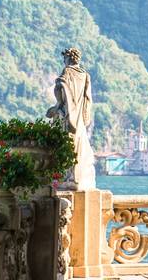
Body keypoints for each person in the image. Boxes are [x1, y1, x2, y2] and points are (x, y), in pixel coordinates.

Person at [46, 47, 96, 190]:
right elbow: (88, 98)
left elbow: (60, 91)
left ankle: (70, 177)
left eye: (65, 59)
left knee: (67, 144)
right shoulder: (86, 75)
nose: (64, 61)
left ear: (69, 58)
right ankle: (76, 177)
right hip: (80, 117)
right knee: (78, 144)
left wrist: (58, 105)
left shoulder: (67, 71)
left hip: (68, 115)